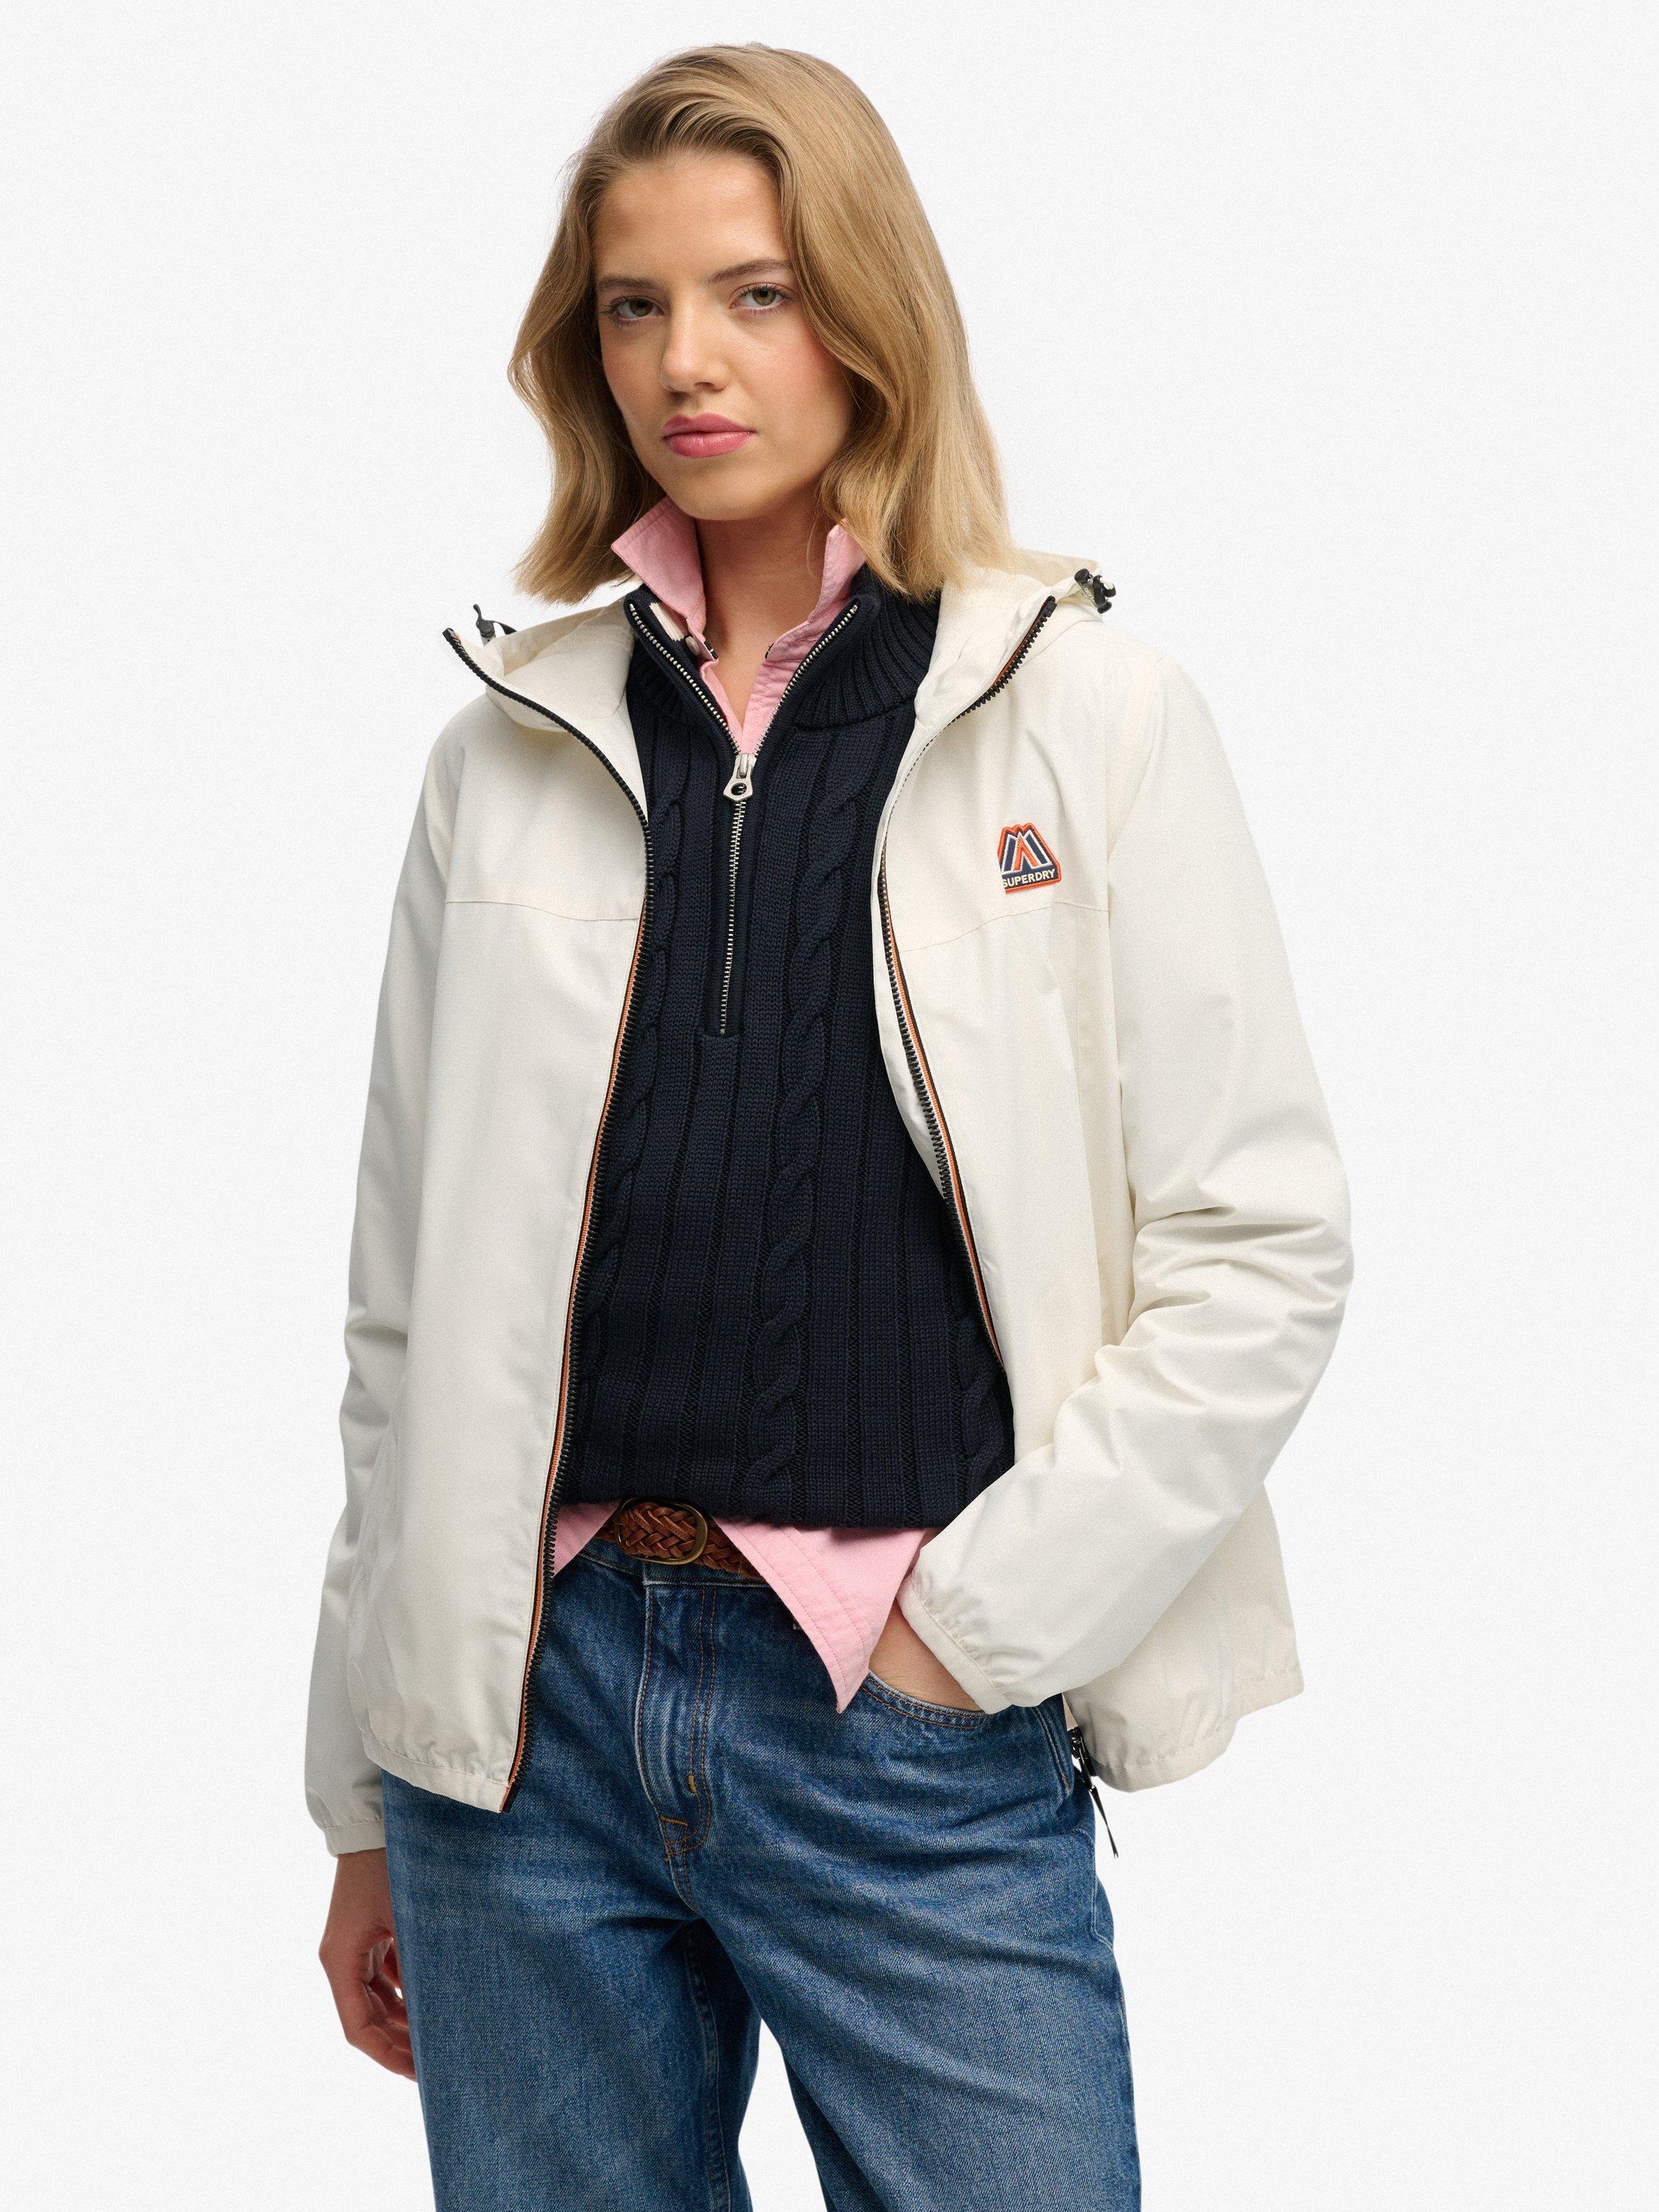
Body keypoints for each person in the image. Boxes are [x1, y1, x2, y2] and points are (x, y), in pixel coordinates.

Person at [307, 41, 1352, 2212]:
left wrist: (976, 1629)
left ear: (867, 311)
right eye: (634, 304)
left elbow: (1261, 1251)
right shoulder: (506, 748)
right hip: (528, 1731)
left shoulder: (1079, 713)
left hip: (905, 1715)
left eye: (755, 293)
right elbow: (401, 1317)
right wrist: (364, 1788)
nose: (686, 359)